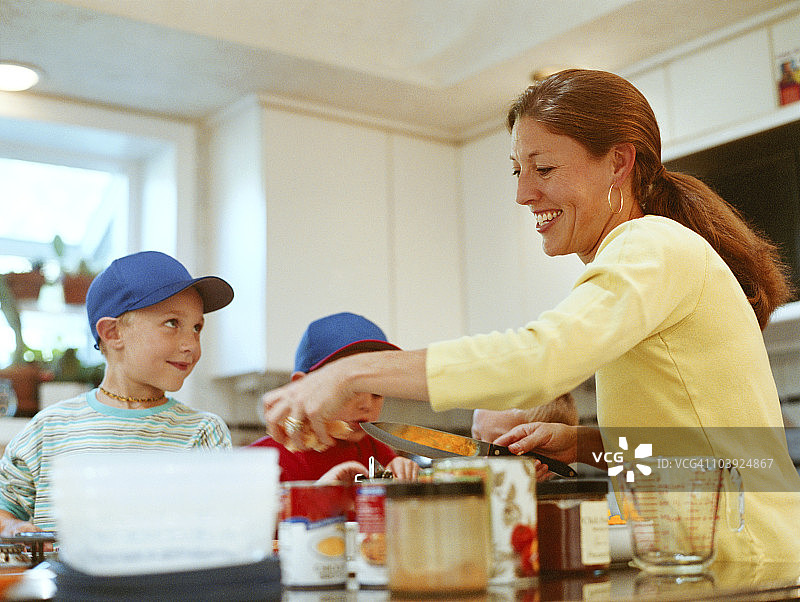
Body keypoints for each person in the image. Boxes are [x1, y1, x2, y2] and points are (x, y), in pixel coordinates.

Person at [261, 69, 800, 563]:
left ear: (619, 161)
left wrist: (351, 372)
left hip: (739, 556)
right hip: (721, 552)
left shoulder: (649, 245)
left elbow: (543, 359)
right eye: (519, 171)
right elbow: (689, 445)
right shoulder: (648, 253)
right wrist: (582, 442)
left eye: (543, 168)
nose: (522, 193)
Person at [0, 251, 235, 536]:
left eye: (197, 328)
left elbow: (221, 530)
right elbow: (5, 512)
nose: (191, 345)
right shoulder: (46, 431)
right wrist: (14, 527)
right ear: (112, 333)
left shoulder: (203, 432)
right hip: (67, 582)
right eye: (172, 323)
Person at [250, 312, 419, 482]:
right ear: (300, 386)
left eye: (377, 392)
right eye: (349, 390)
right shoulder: (262, 460)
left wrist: (399, 473)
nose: (367, 404)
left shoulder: (377, 452)